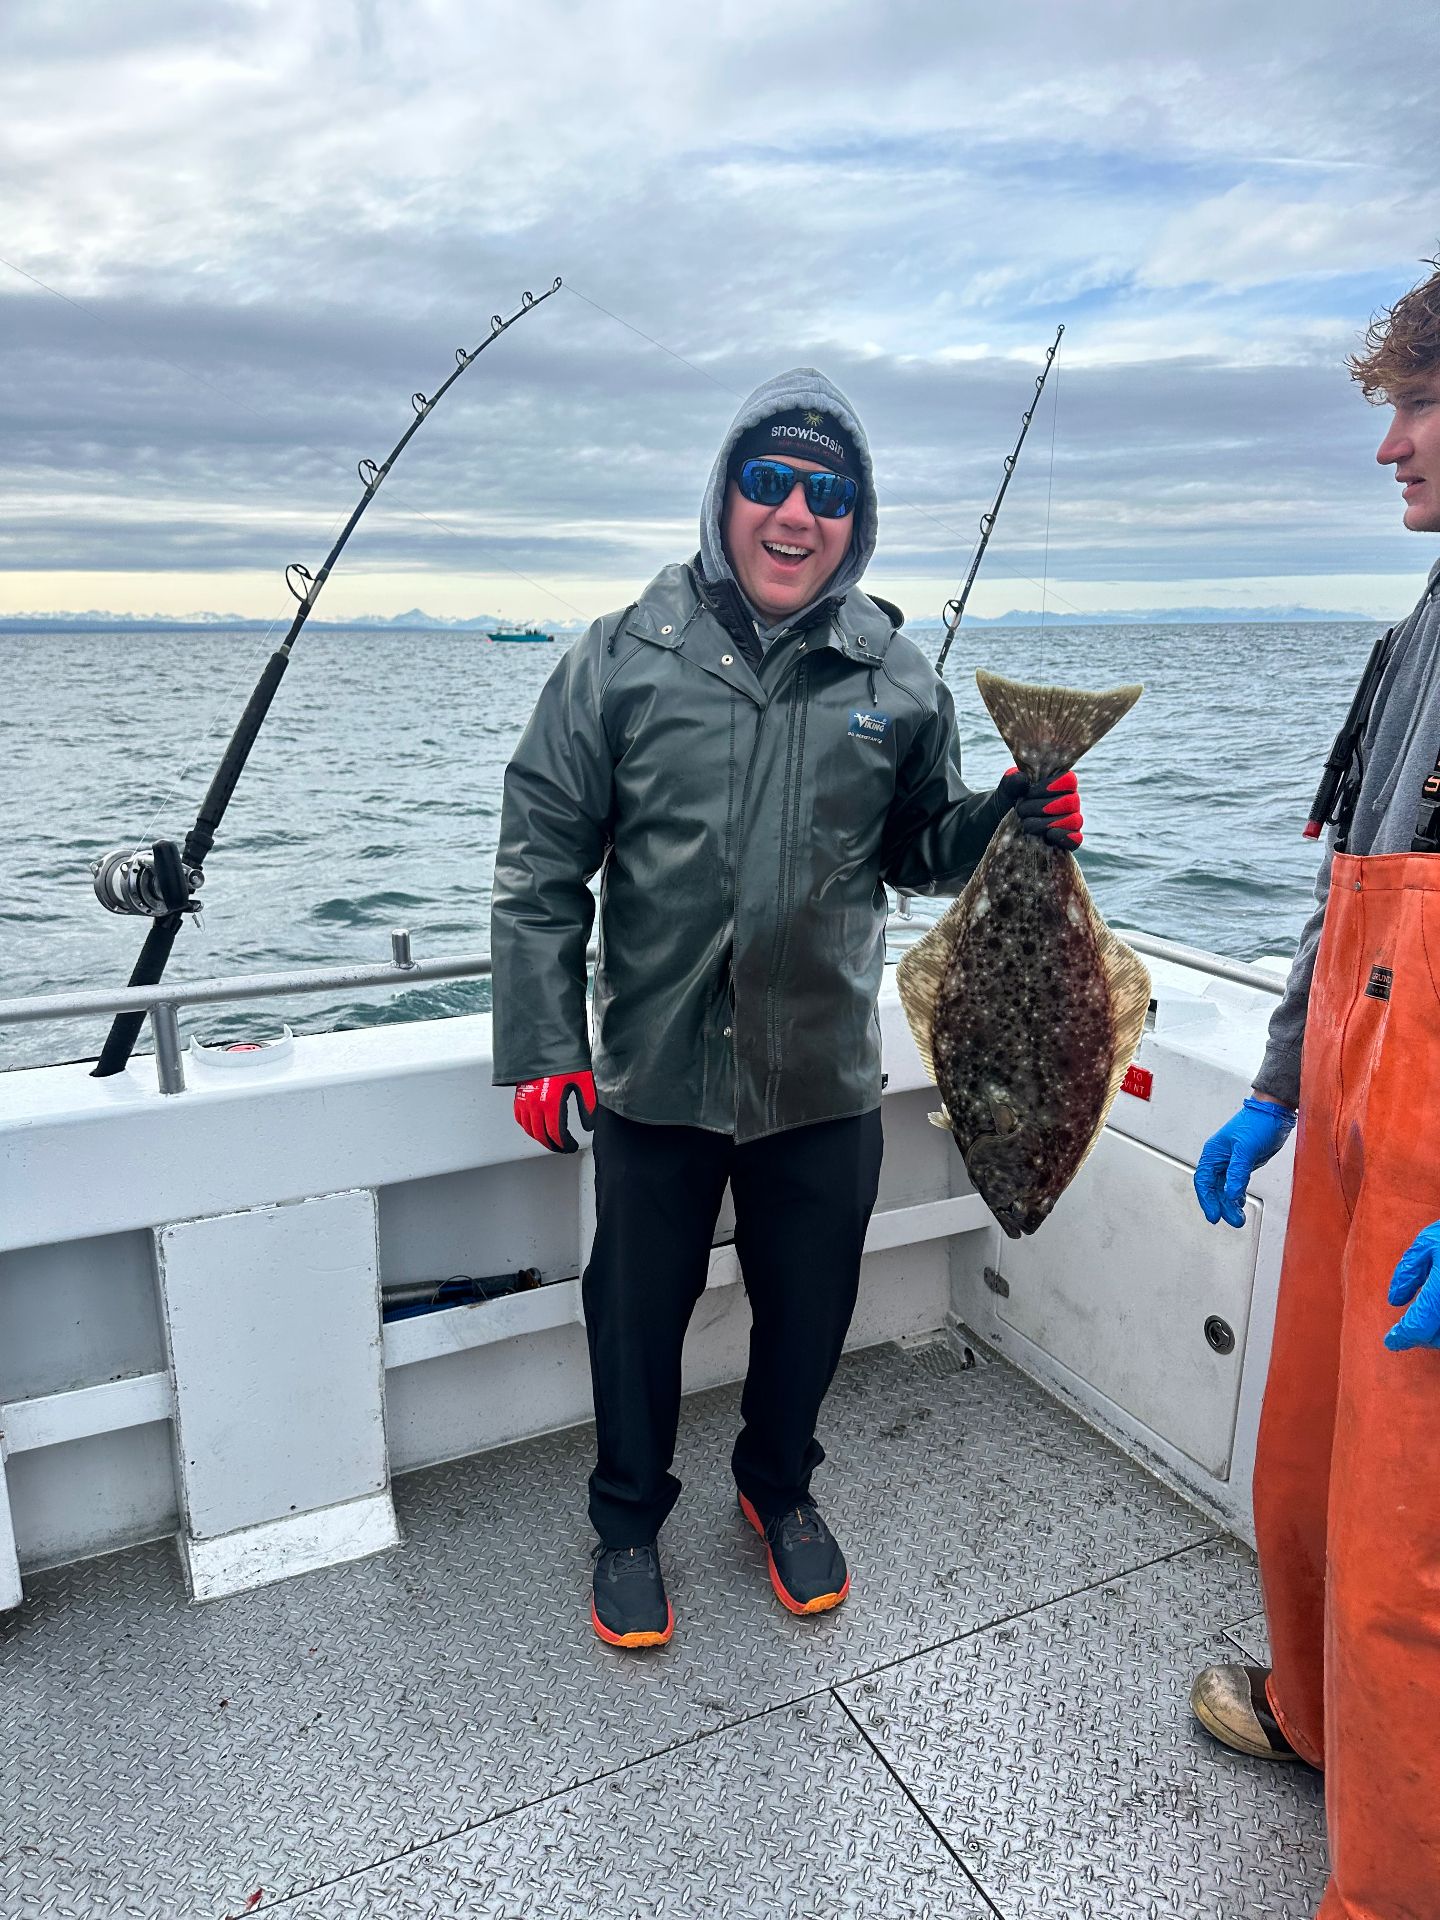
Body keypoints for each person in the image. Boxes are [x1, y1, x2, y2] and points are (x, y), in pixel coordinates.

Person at [490, 369, 1081, 1648]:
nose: (795, 513)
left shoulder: (895, 673)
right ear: (725, 497)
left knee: (808, 1308)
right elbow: (541, 857)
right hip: (657, 1066)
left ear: (856, 520)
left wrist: (1010, 825)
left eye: (828, 492)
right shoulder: (619, 655)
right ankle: (629, 1518)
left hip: (819, 1072)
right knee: (633, 1311)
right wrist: (544, 1043)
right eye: (770, 482)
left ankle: (780, 1490)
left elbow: (924, 846)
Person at [1190, 260, 1440, 1918]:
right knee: (1301, 1471)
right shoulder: (1409, 640)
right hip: (1354, 1125)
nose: (1389, 447)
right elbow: (1342, 891)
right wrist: (1279, 1084)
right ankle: (1311, 1723)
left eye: (1418, 407)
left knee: (1408, 1555)